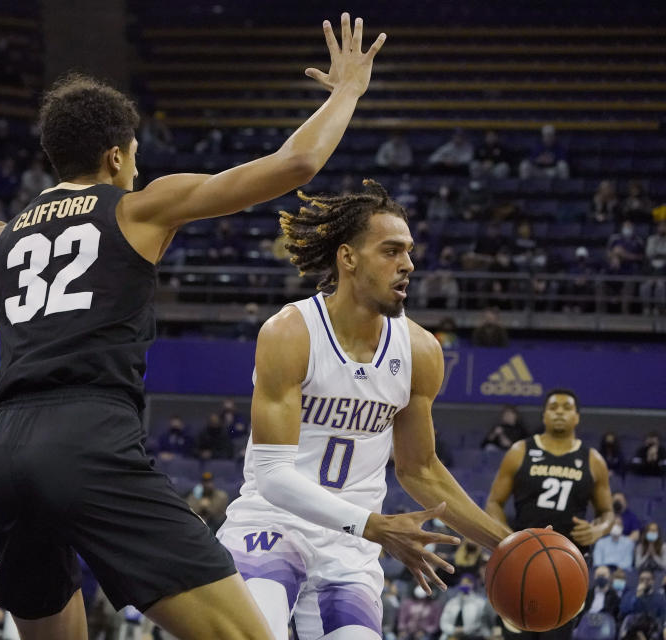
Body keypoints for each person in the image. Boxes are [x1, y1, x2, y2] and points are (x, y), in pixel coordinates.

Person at [0, 15, 387, 640]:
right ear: (117, 154)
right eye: (135, 158)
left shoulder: (3, 231)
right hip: (87, 436)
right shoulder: (138, 207)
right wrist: (346, 90)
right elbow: (295, 164)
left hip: (0, 451)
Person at [216, 179, 514, 640]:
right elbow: (273, 476)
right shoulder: (290, 333)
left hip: (351, 547)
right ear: (348, 258)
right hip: (274, 524)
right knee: (259, 630)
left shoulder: (420, 351)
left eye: (410, 252)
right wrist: (375, 525)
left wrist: (506, 543)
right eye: (391, 251)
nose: (408, 265)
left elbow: (420, 470)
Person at [486, 388, 615, 639]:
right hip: (520, 561)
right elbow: (494, 502)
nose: (559, 412)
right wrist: (507, 539)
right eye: (553, 407)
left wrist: (597, 529)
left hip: (567, 565)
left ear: (577, 417)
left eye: (566, 408)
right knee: (516, 634)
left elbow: (607, 512)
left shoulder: (593, 459)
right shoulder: (520, 451)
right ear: (544, 415)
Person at [438, 575, 493, 640]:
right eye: (463, 582)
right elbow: (444, 621)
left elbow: (480, 623)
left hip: (472, 636)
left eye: (468, 582)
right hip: (451, 635)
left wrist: (464, 630)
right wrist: (453, 630)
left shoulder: (480, 602)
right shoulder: (452, 602)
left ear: (473, 584)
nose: (465, 584)